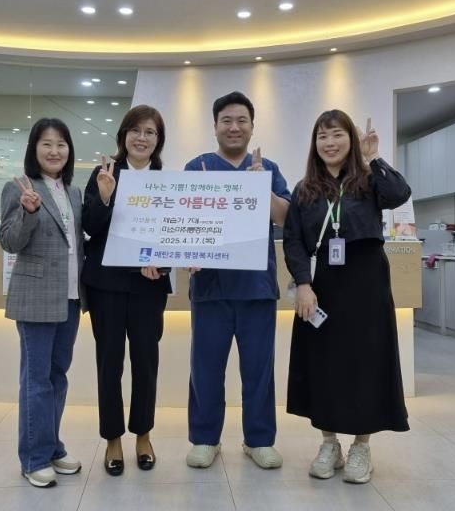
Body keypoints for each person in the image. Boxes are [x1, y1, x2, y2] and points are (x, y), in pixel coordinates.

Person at [283, 110, 411, 484]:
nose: (330, 142)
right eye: (322, 136)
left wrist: (373, 158)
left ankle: (361, 447)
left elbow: (399, 194)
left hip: (367, 283)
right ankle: (329, 444)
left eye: (337, 134)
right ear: (314, 144)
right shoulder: (305, 188)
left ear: (350, 140)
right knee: (323, 363)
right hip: (322, 284)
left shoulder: (369, 180)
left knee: (365, 362)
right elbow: (293, 240)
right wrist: (303, 284)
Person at [184, 91, 290, 469]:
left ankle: (258, 440)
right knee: (206, 369)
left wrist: (261, 187)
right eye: (226, 120)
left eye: (241, 120)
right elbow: (180, 223)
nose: (234, 127)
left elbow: (285, 217)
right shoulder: (197, 167)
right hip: (210, 289)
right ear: (215, 126)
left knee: (259, 370)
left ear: (252, 126)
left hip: (256, 288)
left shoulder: (268, 168)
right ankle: (205, 439)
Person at [82, 105, 172, 476]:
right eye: (135, 130)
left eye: (150, 132)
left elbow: (175, 234)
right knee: (109, 363)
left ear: (158, 140)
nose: (142, 138)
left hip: (149, 286)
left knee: (146, 363)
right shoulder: (105, 173)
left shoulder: (168, 180)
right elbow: (89, 227)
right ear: (124, 135)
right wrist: (104, 198)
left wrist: (163, 264)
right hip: (106, 285)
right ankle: (113, 439)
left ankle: (143, 434)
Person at [0, 118, 84, 488]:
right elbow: (9, 242)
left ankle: (51, 447)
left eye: (61, 144)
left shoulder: (73, 192)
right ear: (34, 149)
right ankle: (33, 458)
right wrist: (29, 213)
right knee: (36, 380)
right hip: (35, 297)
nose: (54, 151)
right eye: (46, 144)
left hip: (70, 297)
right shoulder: (19, 187)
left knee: (57, 376)